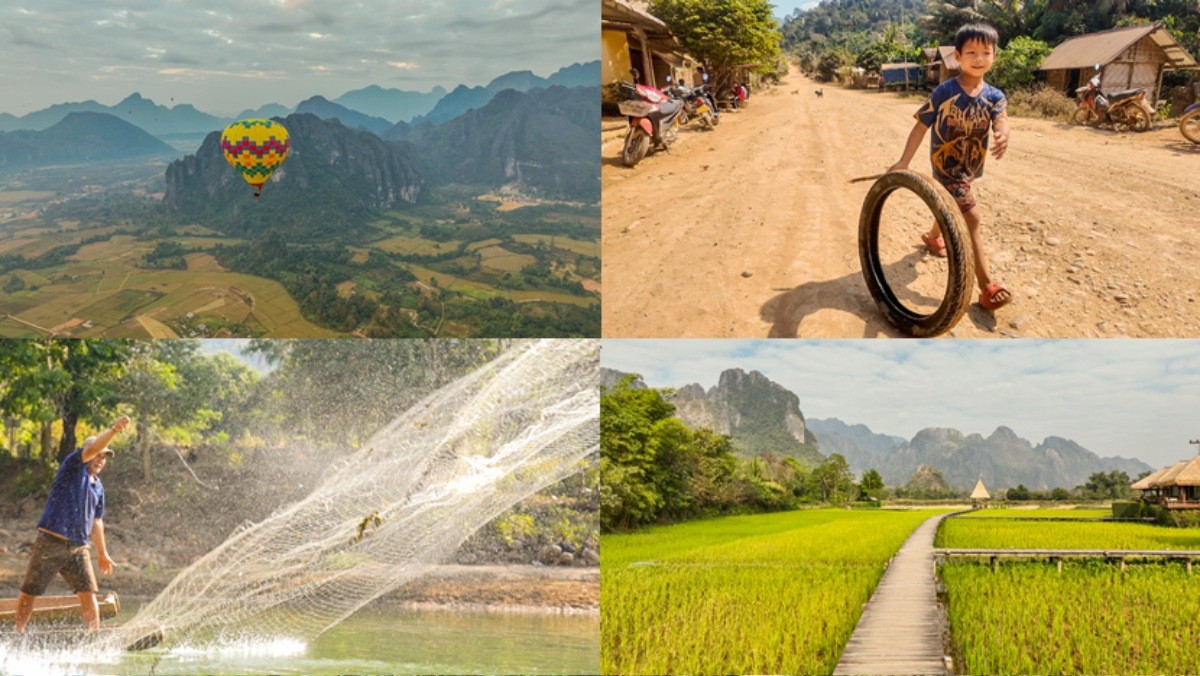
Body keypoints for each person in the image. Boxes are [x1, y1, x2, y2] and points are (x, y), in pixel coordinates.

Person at [889, 23, 1012, 311]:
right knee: (972, 219)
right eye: (971, 52)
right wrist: (904, 161)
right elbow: (921, 126)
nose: (978, 58)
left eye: (986, 52)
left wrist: (1004, 133)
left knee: (950, 205)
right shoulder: (944, 91)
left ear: (994, 56)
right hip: (946, 165)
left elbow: (1002, 119)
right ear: (957, 56)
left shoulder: (995, 95)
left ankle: (933, 237)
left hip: (969, 166)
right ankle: (986, 286)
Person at [14, 416, 131, 633]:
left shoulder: (98, 487)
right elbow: (94, 447)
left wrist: (102, 553)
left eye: (104, 457)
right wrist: (114, 429)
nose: (100, 459)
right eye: (98, 454)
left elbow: (97, 522)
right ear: (87, 453)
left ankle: (93, 635)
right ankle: (18, 632)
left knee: (88, 592)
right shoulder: (73, 466)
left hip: (78, 547)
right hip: (51, 541)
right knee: (31, 590)